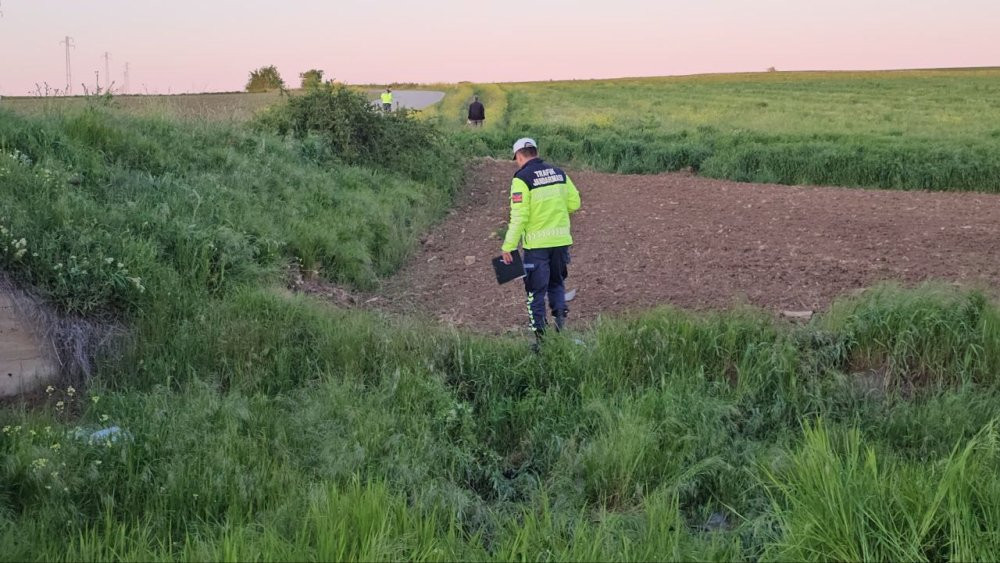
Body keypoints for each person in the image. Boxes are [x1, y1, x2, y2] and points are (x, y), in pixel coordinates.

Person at [501, 138, 581, 347]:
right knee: (557, 283)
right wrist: (556, 211)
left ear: (519, 156)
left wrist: (509, 246)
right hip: (561, 241)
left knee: (535, 292)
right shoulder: (559, 173)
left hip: (536, 246)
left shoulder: (521, 178)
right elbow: (575, 203)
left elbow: (519, 217)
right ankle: (560, 330)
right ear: (535, 152)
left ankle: (541, 341)